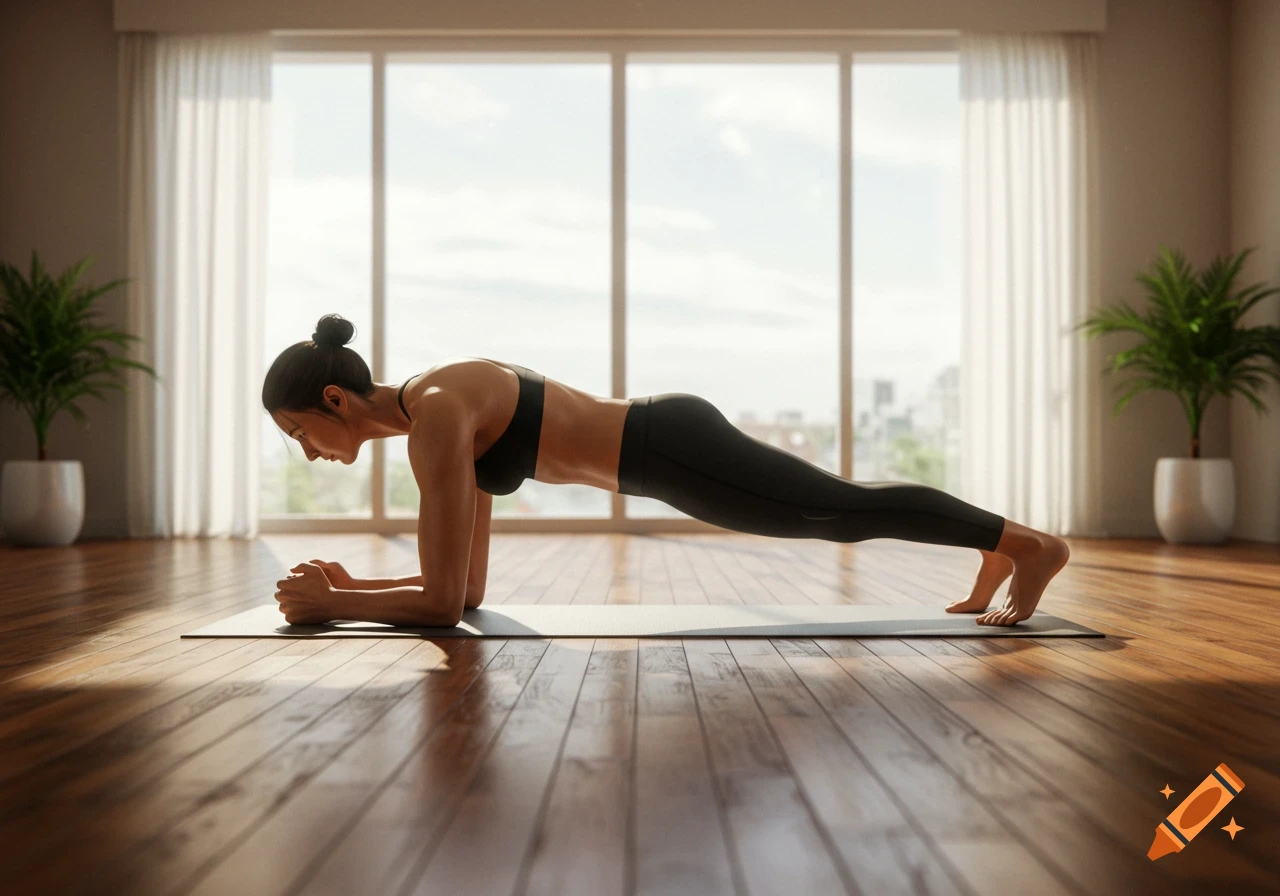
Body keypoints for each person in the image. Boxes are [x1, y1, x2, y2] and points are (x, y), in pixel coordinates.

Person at [264, 313, 1069, 628]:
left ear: (335, 399)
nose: (306, 452)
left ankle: (1028, 546)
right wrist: (353, 587)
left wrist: (335, 602)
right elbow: (466, 594)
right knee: (837, 510)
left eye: (299, 432)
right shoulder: (436, 413)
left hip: (668, 447)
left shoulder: (436, 415)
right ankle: (996, 546)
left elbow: (440, 607)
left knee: (837, 511)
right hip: (661, 453)